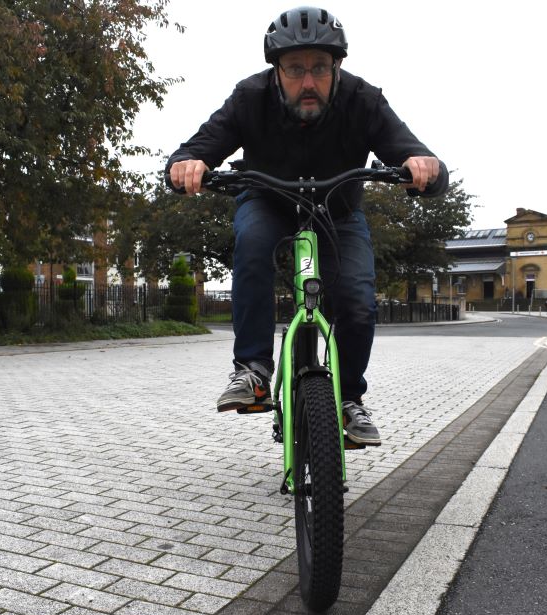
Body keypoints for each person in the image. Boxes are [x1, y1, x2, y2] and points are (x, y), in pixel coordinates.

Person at [167, 6, 448, 448]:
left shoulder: (364, 100)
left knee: (356, 298)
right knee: (253, 244)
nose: (309, 82)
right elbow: (195, 149)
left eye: (320, 67)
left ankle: (350, 399)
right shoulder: (249, 98)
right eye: (295, 69)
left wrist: (424, 167)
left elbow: (414, 152)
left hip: (339, 211)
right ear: (277, 71)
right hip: (268, 201)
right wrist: (187, 166)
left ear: (337, 66)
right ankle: (254, 371)